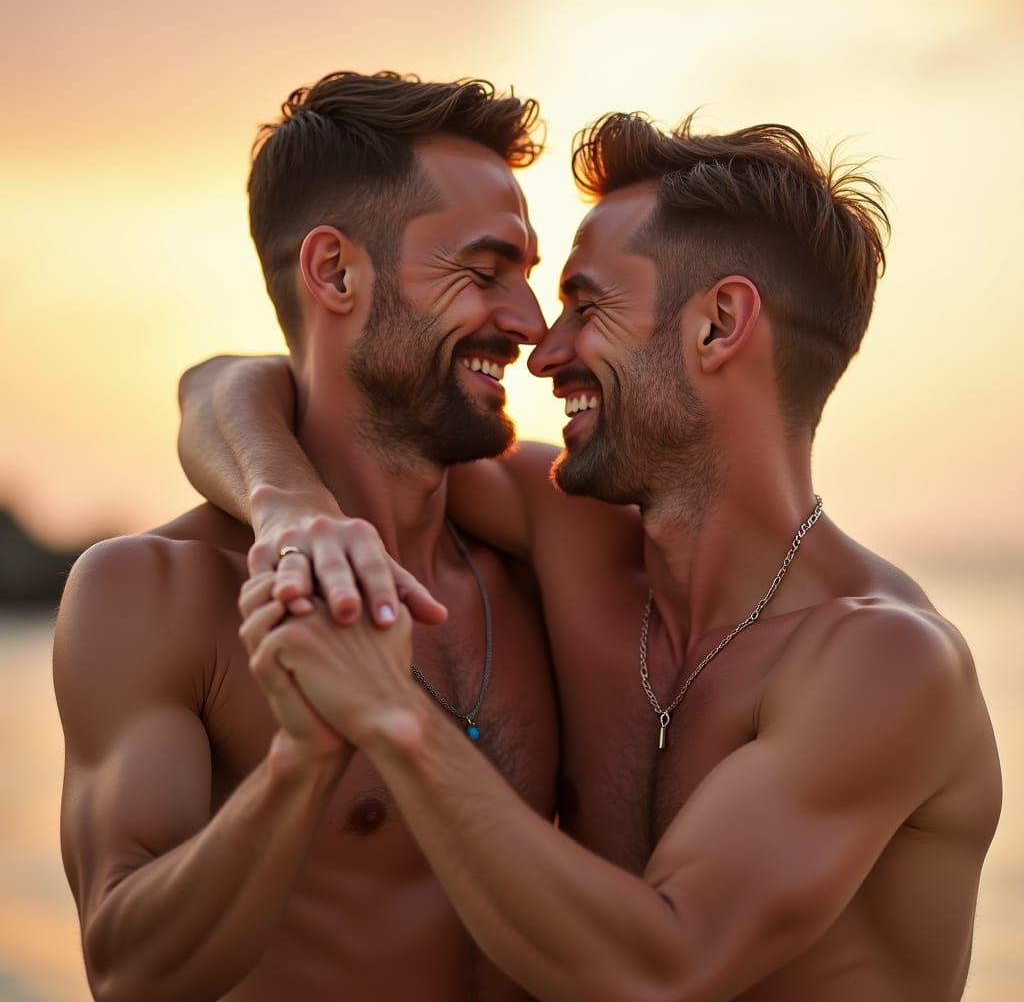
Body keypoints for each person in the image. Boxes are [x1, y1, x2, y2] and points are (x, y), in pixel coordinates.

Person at [178, 112, 1002, 1000]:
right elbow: (225, 389)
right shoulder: (574, 531)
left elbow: (660, 970)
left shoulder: (883, 662)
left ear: (719, 325)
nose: (547, 349)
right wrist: (289, 511)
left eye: (588, 304)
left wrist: (388, 711)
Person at [53, 71, 561, 1002]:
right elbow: (126, 969)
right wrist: (307, 759)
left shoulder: (547, 566)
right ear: (334, 272)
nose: (530, 324)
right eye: (485, 273)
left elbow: (219, 382)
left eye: (527, 275)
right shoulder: (155, 593)